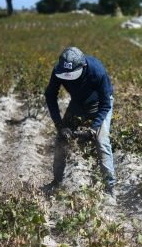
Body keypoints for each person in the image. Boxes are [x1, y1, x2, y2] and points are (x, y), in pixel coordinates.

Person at [45, 46, 116, 193]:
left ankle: (110, 188)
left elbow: (105, 104)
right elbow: (50, 96)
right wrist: (60, 126)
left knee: (102, 141)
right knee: (61, 140)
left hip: (99, 103)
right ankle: (57, 181)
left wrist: (93, 129)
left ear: (83, 67)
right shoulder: (58, 71)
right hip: (78, 102)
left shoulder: (97, 71)